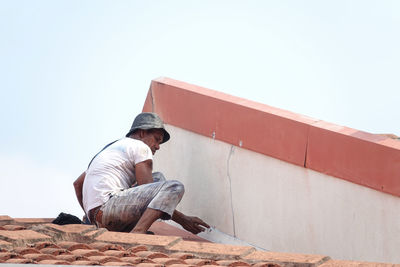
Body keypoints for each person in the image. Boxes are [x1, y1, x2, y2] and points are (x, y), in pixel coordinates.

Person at [73, 112, 209, 234]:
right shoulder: (140, 146)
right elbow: (149, 192)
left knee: (158, 179)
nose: (158, 146)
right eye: (156, 139)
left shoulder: (112, 149)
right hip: (108, 210)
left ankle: (129, 229)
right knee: (174, 187)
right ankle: (138, 231)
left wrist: (90, 217)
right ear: (142, 133)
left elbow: (78, 184)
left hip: (98, 217)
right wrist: (183, 220)